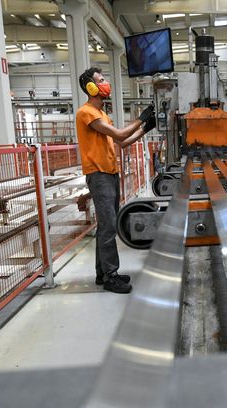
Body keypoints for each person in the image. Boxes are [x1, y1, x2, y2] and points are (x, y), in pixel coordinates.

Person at [75, 66, 155, 294]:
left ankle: (102, 273)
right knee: (109, 226)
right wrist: (141, 118)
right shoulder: (86, 113)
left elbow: (122, 142)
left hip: (109, 173)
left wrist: (146, 128)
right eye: (101, 80)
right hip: (99, 175)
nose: (105, 83)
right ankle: (111, 276)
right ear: (90, 87)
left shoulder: (102, 115)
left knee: (106, 226)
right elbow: (120, 134)